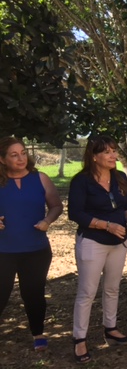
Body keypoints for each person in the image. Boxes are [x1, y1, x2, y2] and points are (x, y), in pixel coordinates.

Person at [68, 135, 127, 363]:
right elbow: (76, 213)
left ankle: (110, 328)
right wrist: (107, 226)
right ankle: (79, 339)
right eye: (107, 152)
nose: (113, 155)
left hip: (118, 242)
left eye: (114, 150)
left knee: (112, 288)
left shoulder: (119, 177)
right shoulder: (82, 181)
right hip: (92, 241)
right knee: (87, 292)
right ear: (94, 156)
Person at [0, 137, 62, 352]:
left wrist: (47, 221)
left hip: (36, 249)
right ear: (2, 159)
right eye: (14, 154)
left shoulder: (40, 178)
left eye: (23, 152)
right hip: (3, 250)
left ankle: (38, 333)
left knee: (34, 292)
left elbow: (56, 205)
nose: (21, 158)